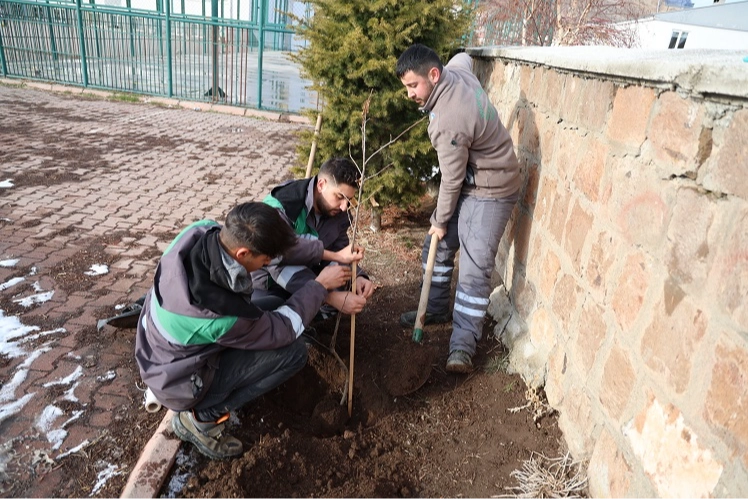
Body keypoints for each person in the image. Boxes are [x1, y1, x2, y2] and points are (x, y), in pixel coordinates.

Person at [134, 202, 352, 459]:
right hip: (178, 383)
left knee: (274, 304)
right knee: (293, 352)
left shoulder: (202, 232)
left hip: (160, 350)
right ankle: (202, 418)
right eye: (265, 260)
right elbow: (283, 330)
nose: (268, 263)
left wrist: (333, 255)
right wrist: (319, 287)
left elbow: (281, 251)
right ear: (242, 254)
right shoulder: (222, 313)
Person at [396, 44, 521, 373]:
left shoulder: (447, 121)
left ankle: (462, 348)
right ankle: (436, 309)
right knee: (435, 249)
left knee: (474, 269)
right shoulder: (458, 71)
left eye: (413, 86)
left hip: (492, 190)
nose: (409, 94)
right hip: (473, 180)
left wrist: (439, 220)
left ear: (433, 75)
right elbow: (464, 57)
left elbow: (450, 181)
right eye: (406, 87)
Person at [252, 157, 375, 318]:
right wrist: (328, 296)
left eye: (348, 200)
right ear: (322, 184)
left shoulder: (338, 211)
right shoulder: (283, 205)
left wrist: (356, 276)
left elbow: (339, 248)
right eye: (339, 197)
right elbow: (277, 263)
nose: (344, 206)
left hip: (307, 273)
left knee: (339, 285)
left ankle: (312, 314)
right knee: (270, 313)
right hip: (270, 282)